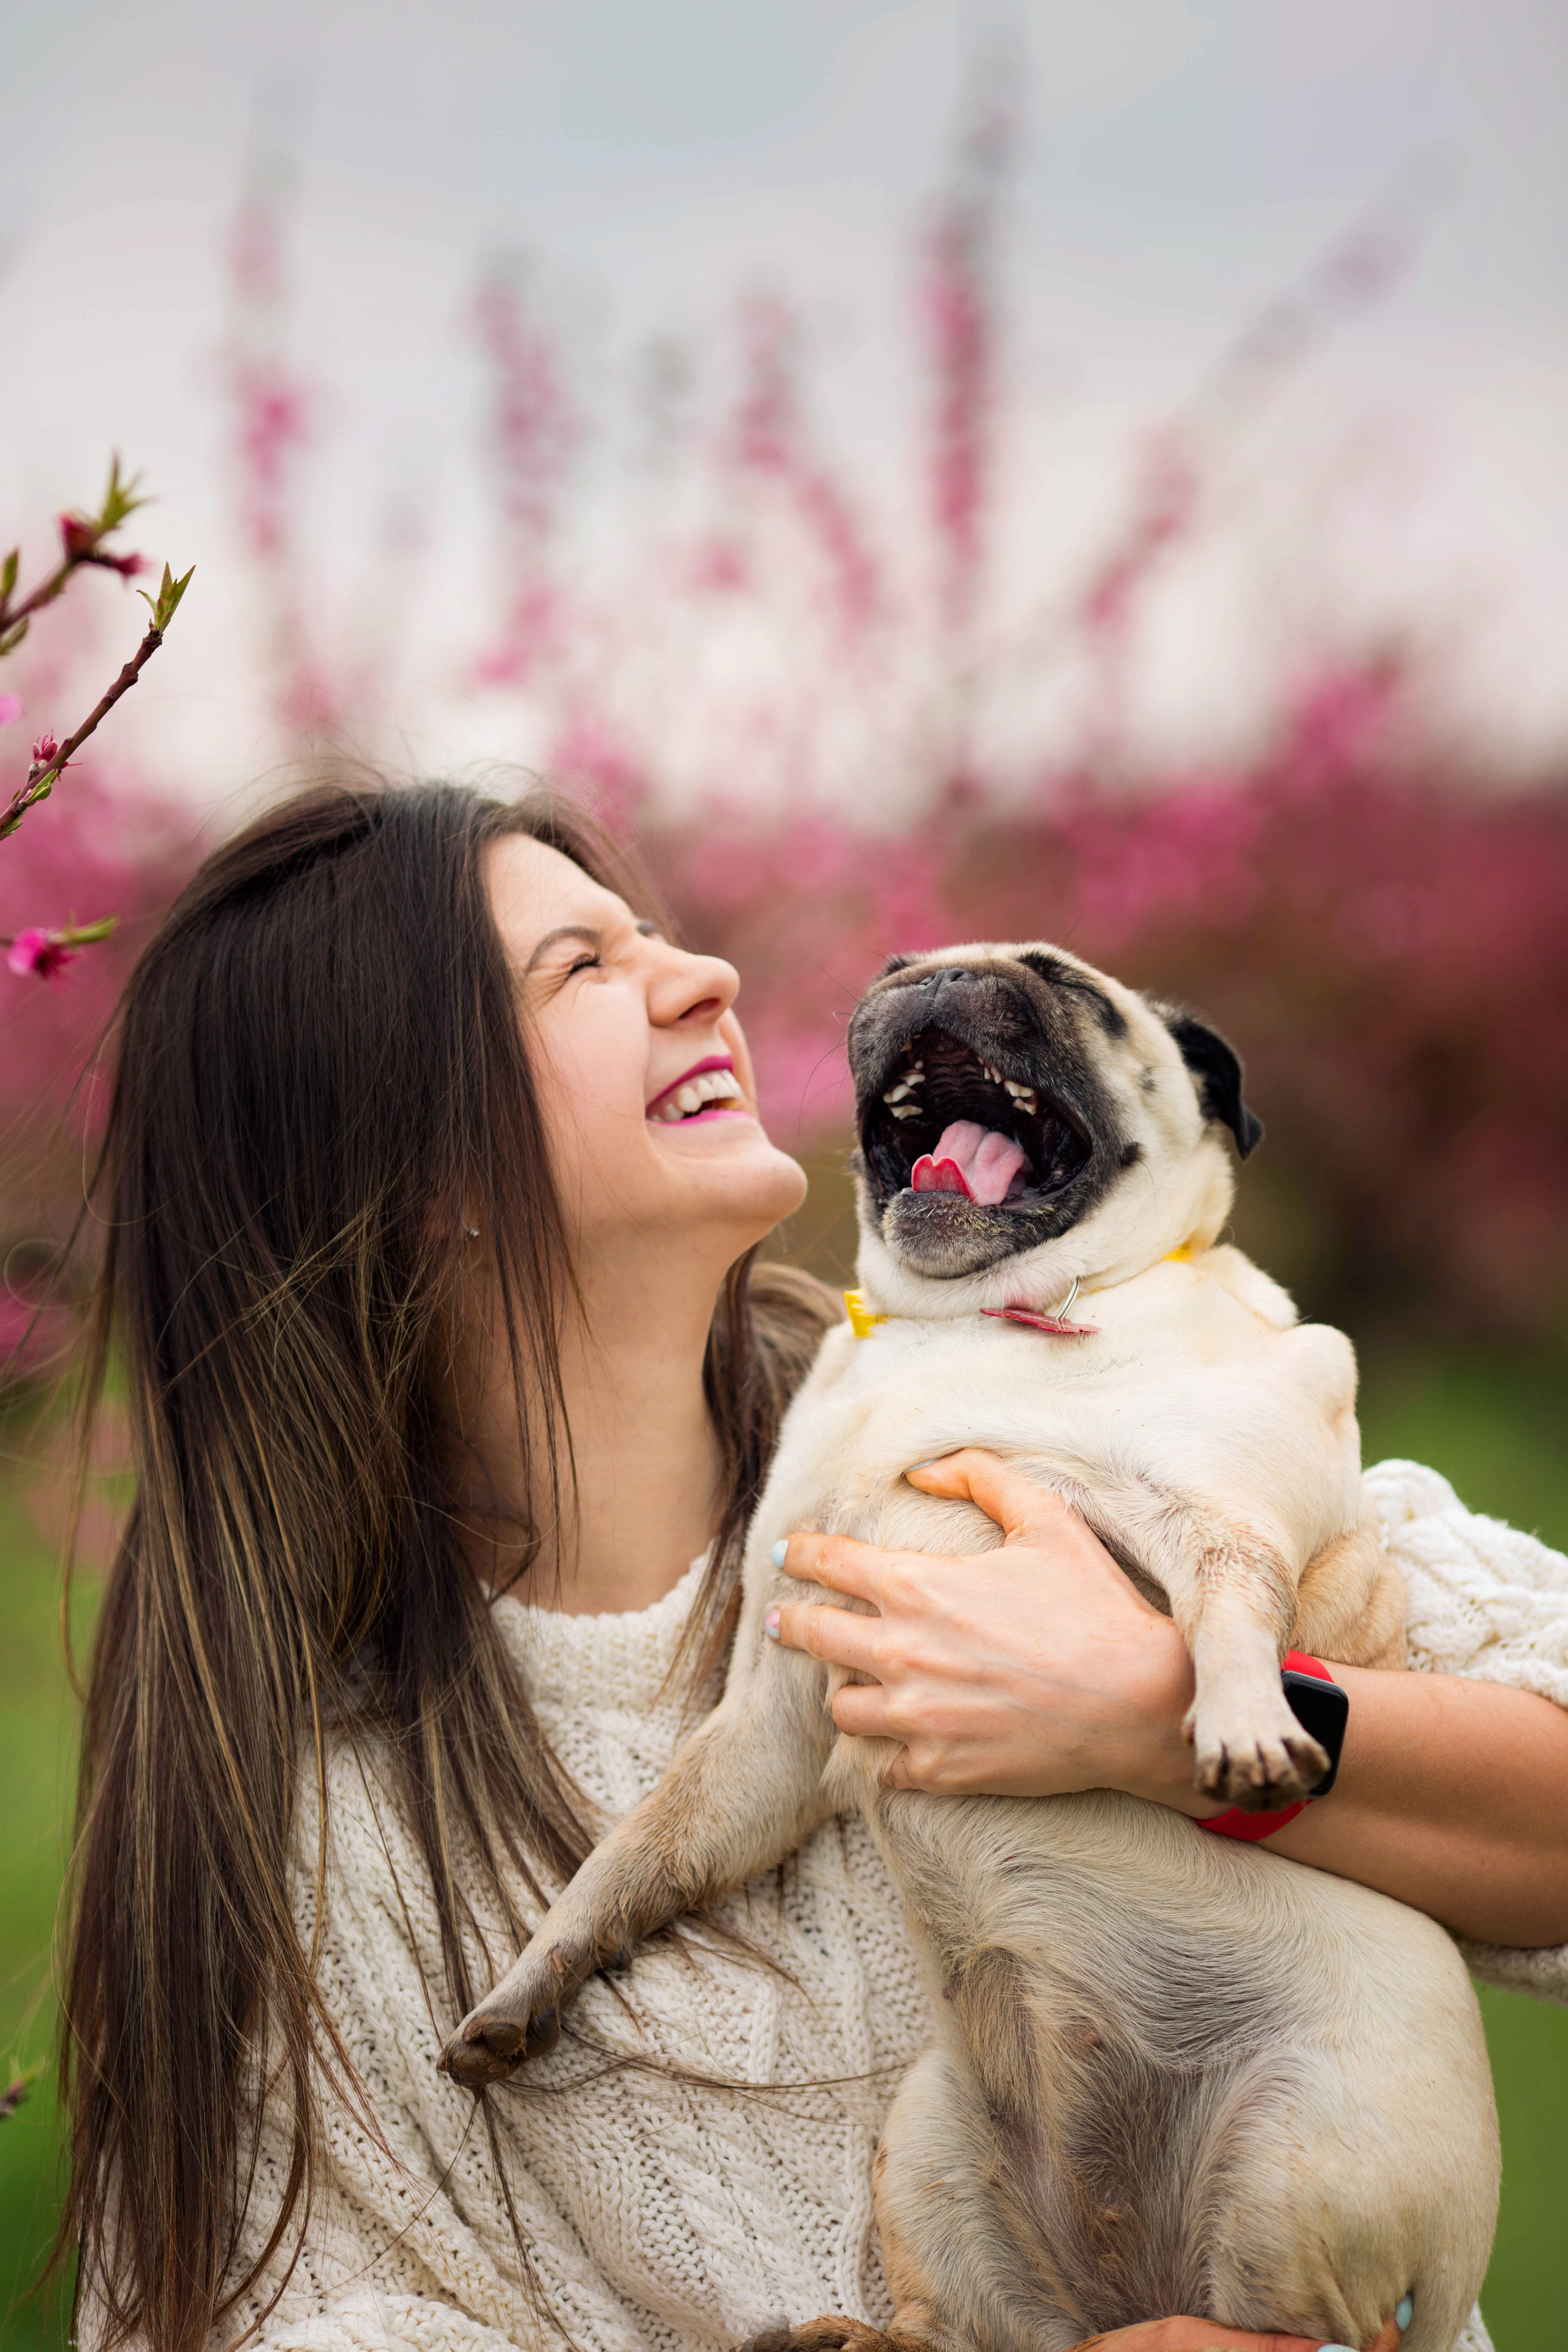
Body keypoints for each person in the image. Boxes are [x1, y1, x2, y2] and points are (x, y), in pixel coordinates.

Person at [61, 775, 1568, 2352]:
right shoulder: (313, 1822)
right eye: (581, 969)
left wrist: (1152, 1719)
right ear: (414, 1168)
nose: (701, 976)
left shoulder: (1106, 1375)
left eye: (655, 934)